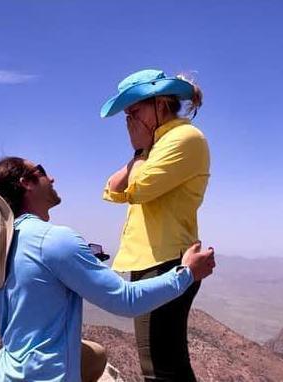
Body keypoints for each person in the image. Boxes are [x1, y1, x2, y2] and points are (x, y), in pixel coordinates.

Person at [0, 156, 215, 382]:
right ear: (26, 183)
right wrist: (187, 274)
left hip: (6, 373)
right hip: (47, 377)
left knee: (94, 354)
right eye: (41, 171)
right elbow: (126, 301)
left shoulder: (3, 244)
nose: (52, 178)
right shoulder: (53, 240)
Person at [101, 69, 210, 381]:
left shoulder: (184, 138)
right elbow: (112, 189)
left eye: (134, 111)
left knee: (162, 369)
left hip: (166, 261)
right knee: (163, 364)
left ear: (160, 104)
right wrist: (138, 153)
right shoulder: (152, 149)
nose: (128, 121)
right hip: (152, 261)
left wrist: (138, 154)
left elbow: (140, 187)